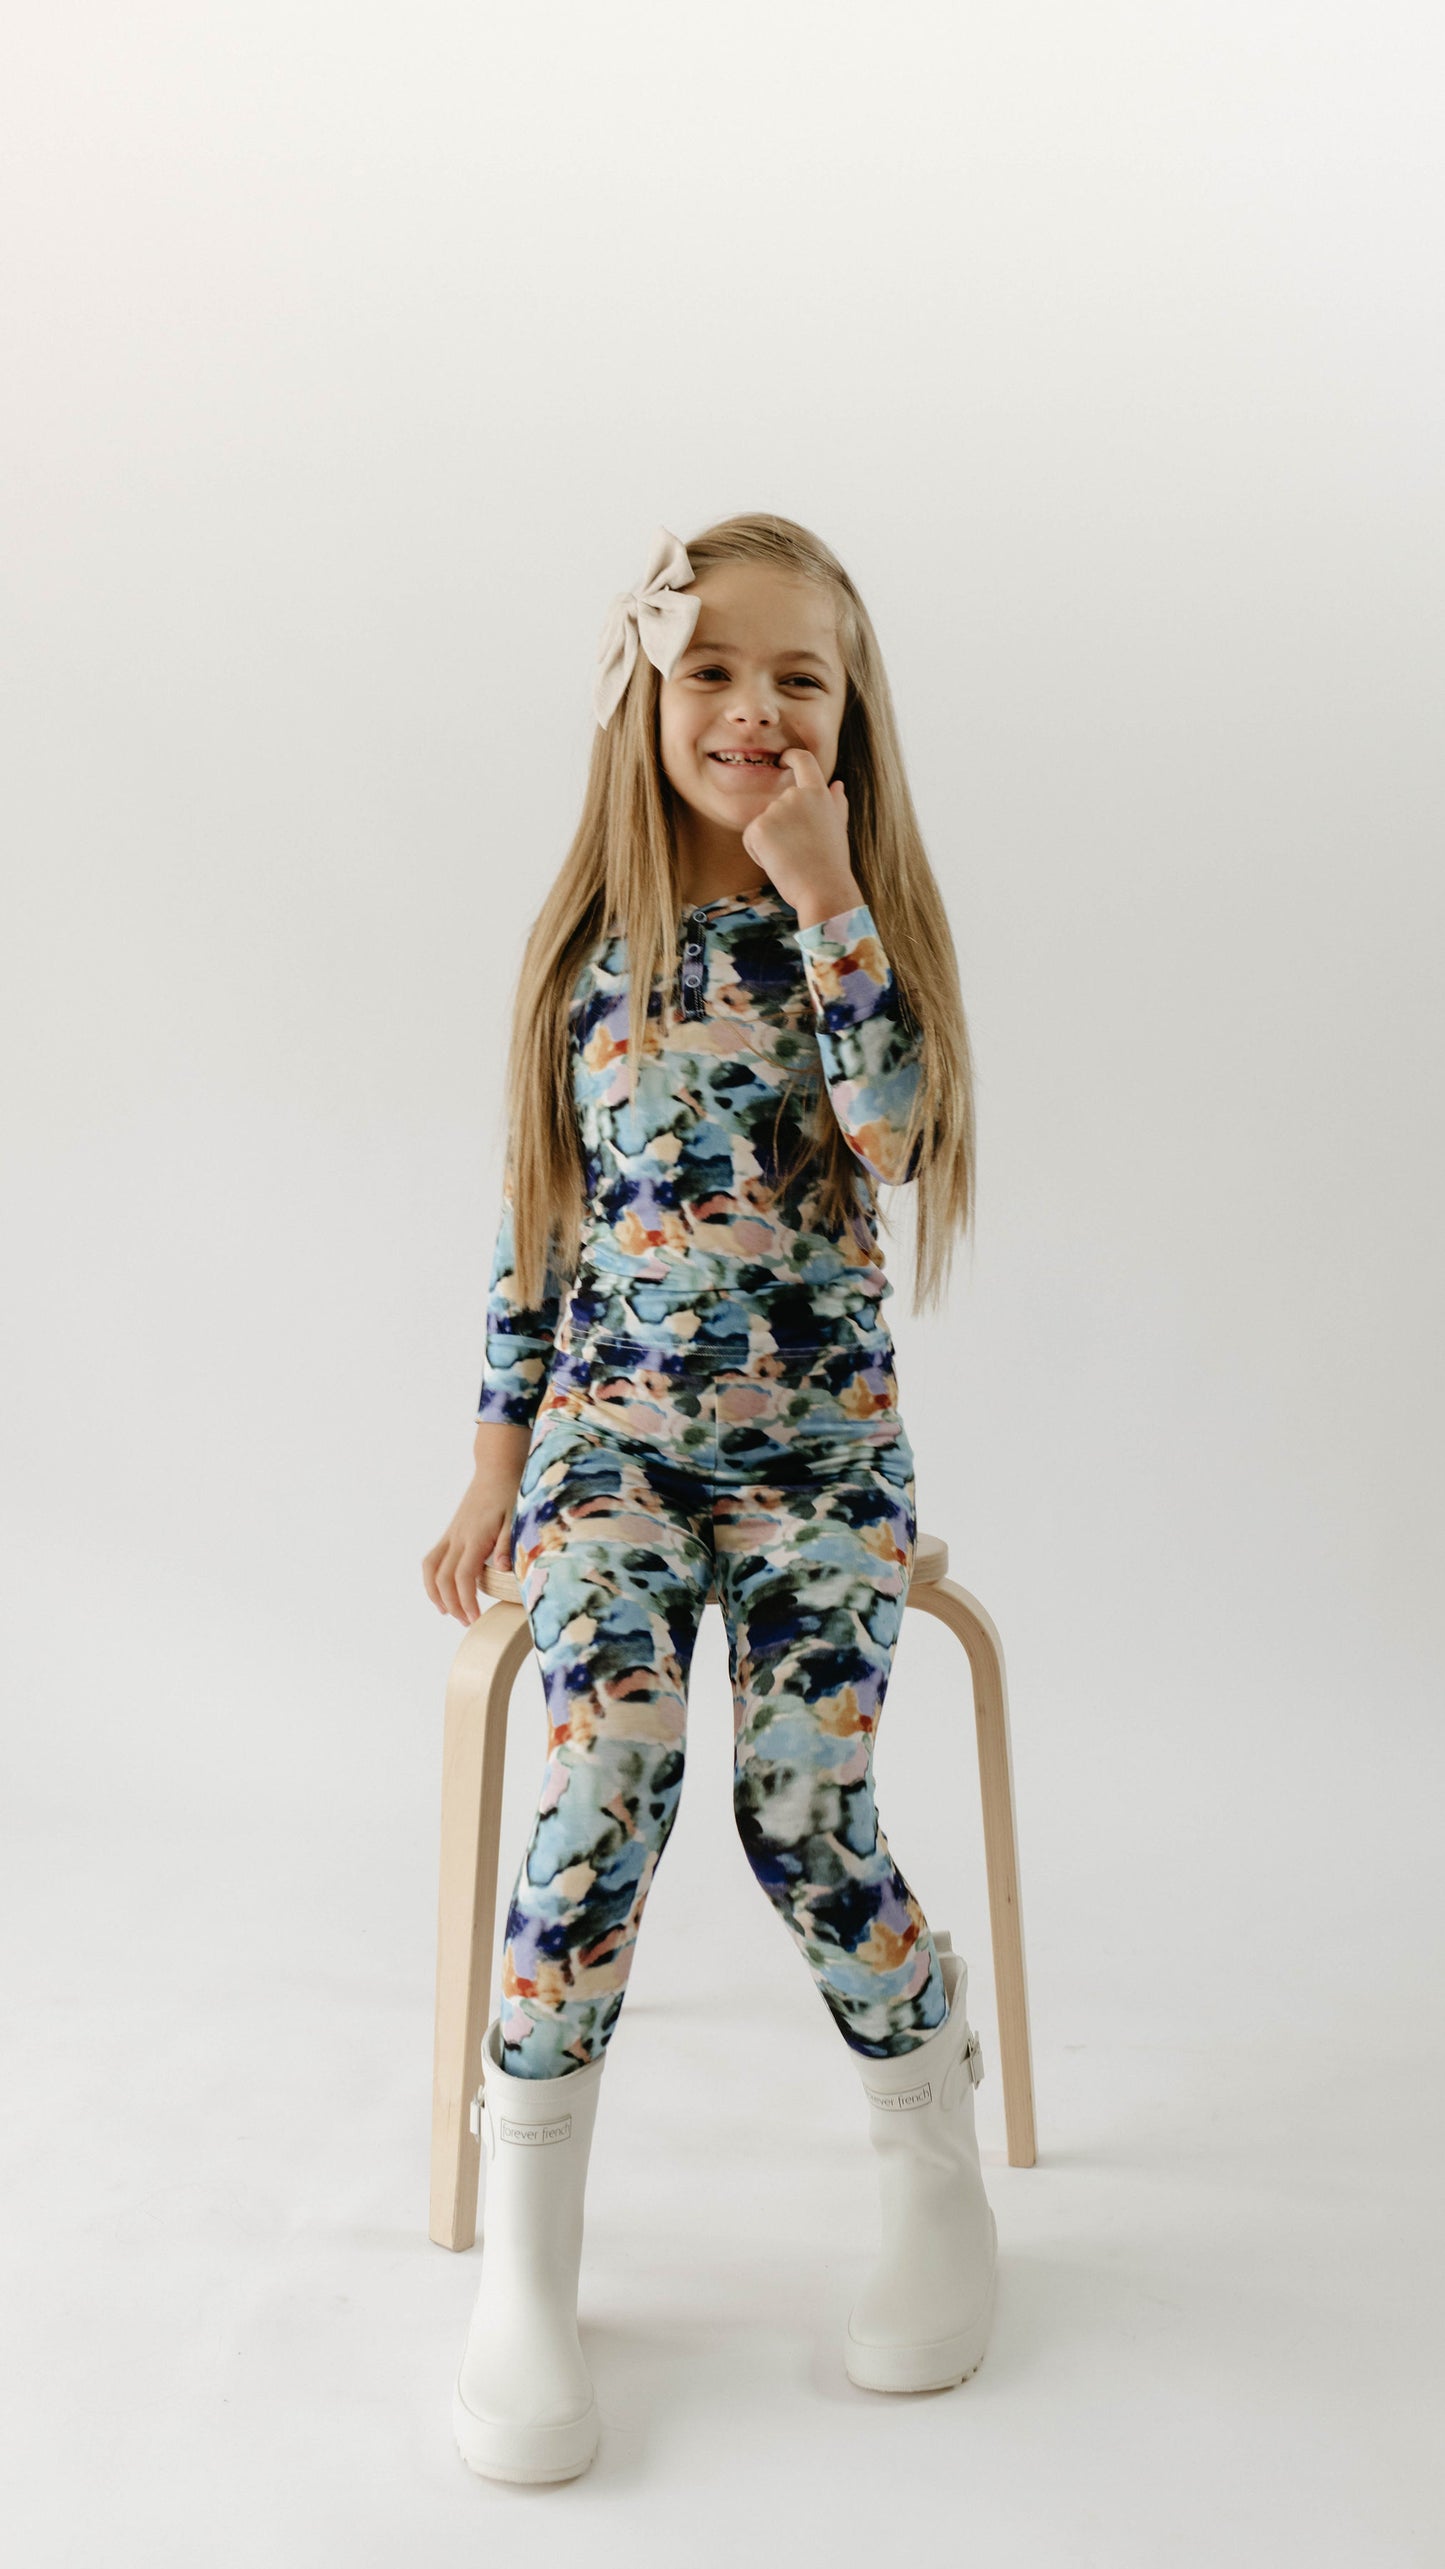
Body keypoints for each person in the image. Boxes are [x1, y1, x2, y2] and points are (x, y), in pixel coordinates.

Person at [423, 514, 996, 2485]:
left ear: (847, 720)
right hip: (612, 1461)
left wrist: (825, 886)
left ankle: (936, 2151)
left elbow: (902, 1129)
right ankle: (527, 2255)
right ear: (647, 701)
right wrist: (498, 1460)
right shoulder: (591, 963)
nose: (752, 710)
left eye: (798, 680)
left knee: (799, 1802)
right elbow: (532, 1230)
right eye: (712, 673)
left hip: (822, 1466)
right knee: (608, 1780)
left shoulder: (857, 932)